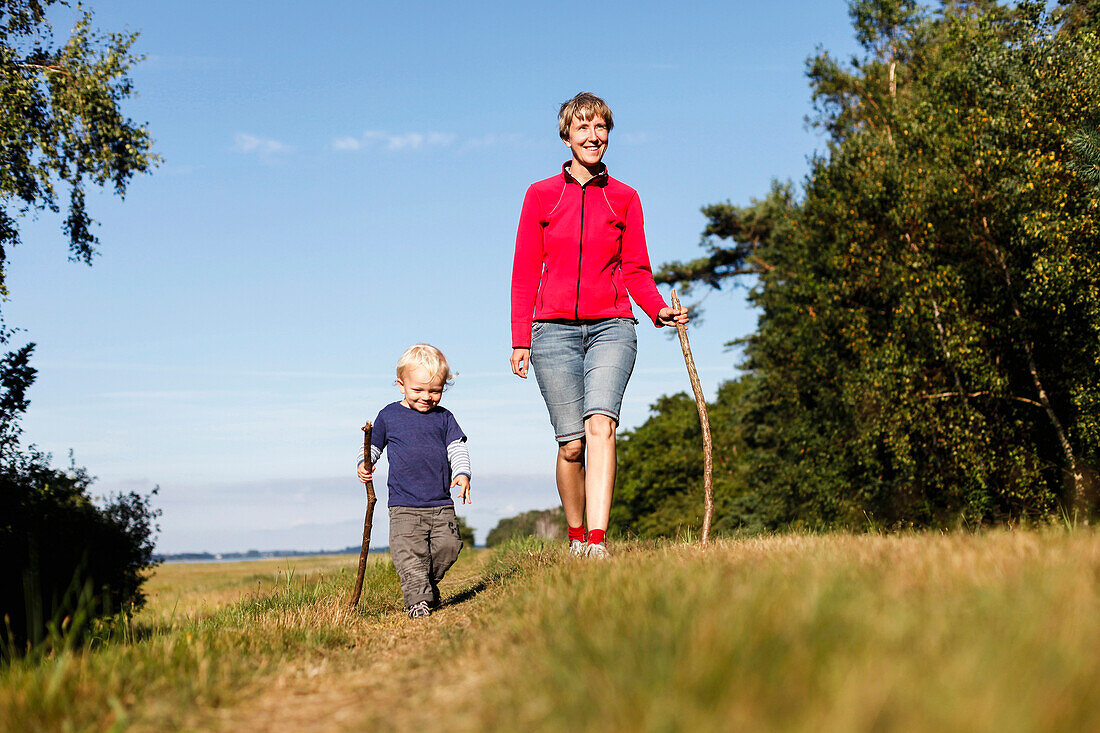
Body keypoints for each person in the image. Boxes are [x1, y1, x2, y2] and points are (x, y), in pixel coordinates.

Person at [510, 92, 688, 560]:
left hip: (612, 326)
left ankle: (597, 542)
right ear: (566, 135)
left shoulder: (624, 198)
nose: (594, 136)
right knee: (571, 446)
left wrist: (657, 310)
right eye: (584, 127)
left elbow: (636, 270)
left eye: (601, 128)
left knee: (601, 426)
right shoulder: (540, 195)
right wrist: (519, 339)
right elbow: (526, 270)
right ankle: (574, 536)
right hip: (552, 332)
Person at [357, 344, 471, 618]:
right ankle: (418, 600)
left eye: (435, 390)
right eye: (418, 390)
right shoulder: (389, 416)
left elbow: (457, 447)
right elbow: (374, 446)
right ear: (401, 385)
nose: (427, 397)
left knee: (449, 546)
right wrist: (365, 463)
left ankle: (424, 586)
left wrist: (463, 473)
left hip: (440, 503)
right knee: (409, 555)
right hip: (404, 506)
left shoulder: (444, 418)